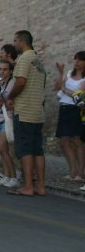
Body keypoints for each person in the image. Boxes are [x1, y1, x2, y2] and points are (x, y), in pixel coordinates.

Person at [5, 30, 47, 197]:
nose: (14, 44)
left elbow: (21, 81)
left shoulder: (24, 59)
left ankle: (28, 186)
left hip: (24, 111)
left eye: (15, 41)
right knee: (38, 150)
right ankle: (41, 186)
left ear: (22, 42)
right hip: (38, 110)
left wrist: (10, 96)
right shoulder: (38, 60)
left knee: (25, 150)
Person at [54, 51, 85, 183]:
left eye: (79, 60)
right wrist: (61, 72)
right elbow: (57, 87)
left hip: (77, 110)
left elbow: (80, 96)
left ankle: (80, 173)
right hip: (64, 108)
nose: (76, 62)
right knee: (64, 141)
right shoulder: (68, 74)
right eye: (75, 59)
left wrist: (65, 89)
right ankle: (72, 171)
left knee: (78, 141)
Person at [0, 61, 19, 188]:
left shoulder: (12, 84)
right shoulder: (1, 84)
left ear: (11, 71)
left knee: (2, 149)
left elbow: (9, 101)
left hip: (7, 119)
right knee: (2, 150)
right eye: (1, 69)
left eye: (5, 69)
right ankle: (7, 176)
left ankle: (13, 177)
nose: (2, 71)